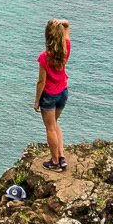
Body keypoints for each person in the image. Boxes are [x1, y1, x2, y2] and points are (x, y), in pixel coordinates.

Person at [34, 18, 70, 171]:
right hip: (63, 92)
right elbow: (67, 26)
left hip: (49, 96)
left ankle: (55, 162)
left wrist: (36, 101)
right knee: (55, 123)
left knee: (49, 127)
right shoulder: (66, 47)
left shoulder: (44, 57)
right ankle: (61, 157)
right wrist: (62, 22)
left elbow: (41, 82)